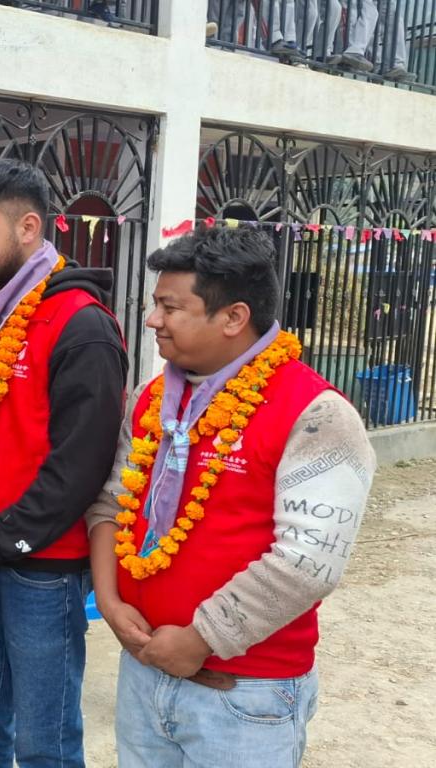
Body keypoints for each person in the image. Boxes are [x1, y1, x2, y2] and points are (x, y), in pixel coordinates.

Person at [86, 226, 375, 767]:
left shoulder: (316, 414)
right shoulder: (154, 399)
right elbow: (110, 502)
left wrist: (201, 638)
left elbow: (307, 562)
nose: (152, 320)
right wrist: (110, 601)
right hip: (144, 672)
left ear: (234, 317)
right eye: (155, 305)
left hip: (244, 693)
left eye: (171, 307)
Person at [0, 158, 128, 767]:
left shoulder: (82, 326)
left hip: (42, 573)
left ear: (29, 227)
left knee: (45, 741)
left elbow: (77, 473)